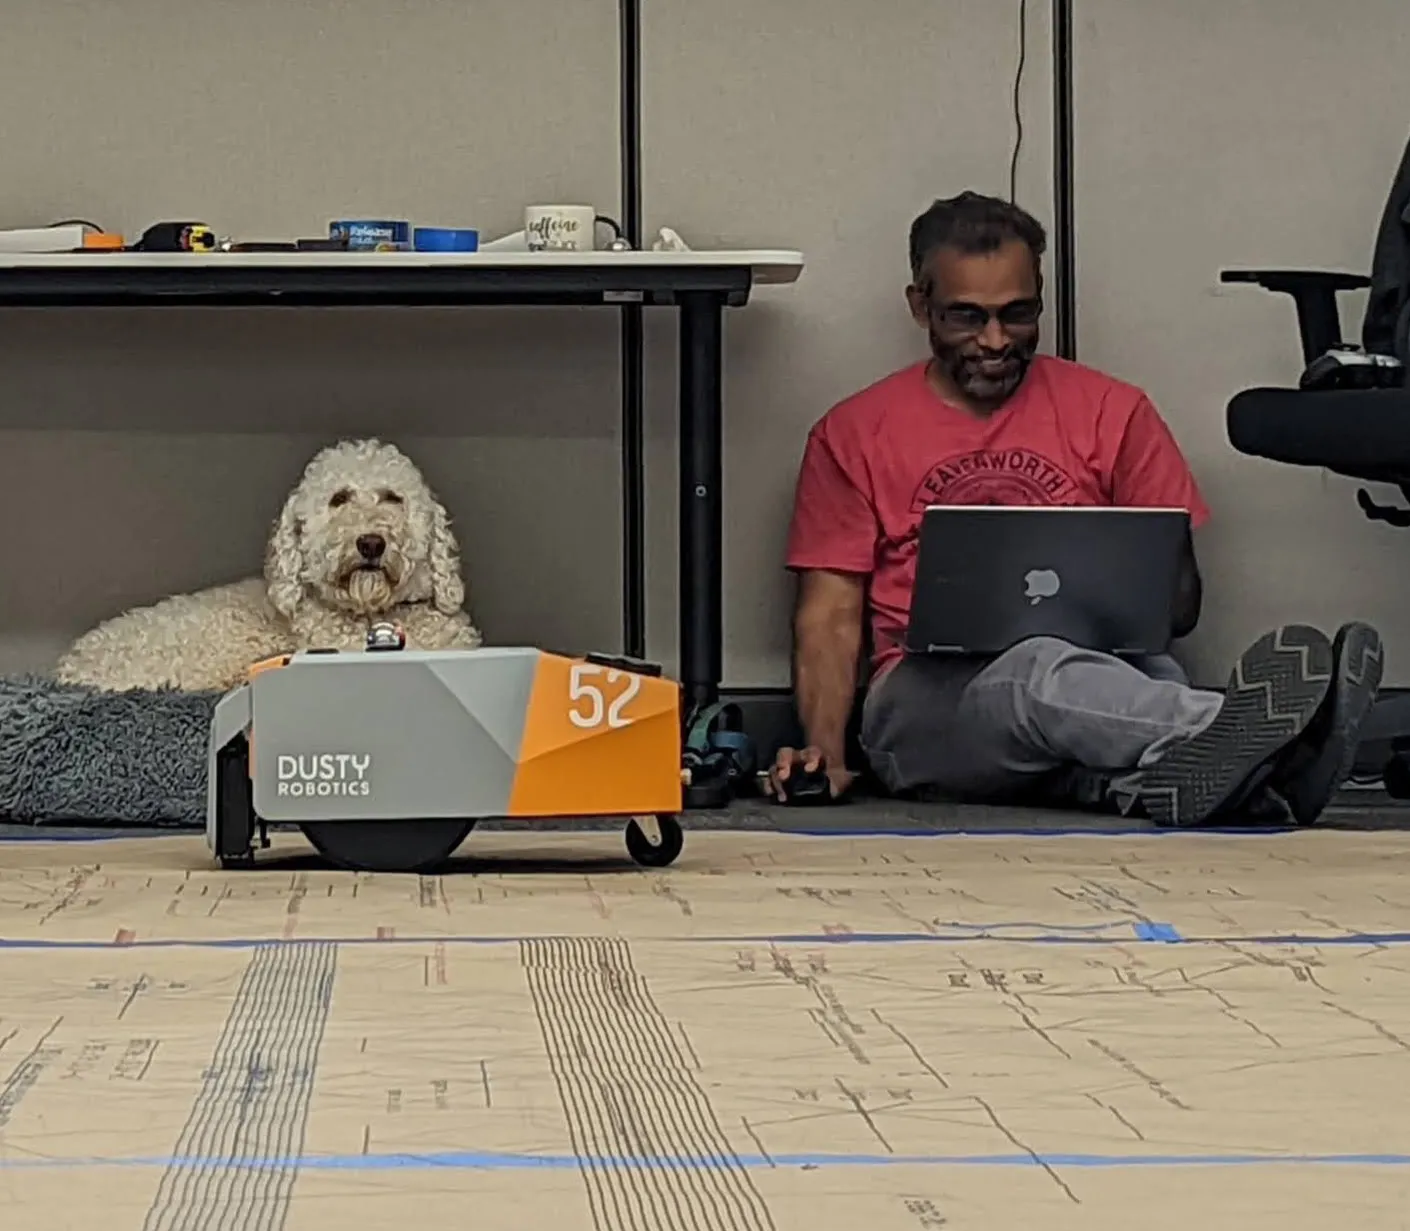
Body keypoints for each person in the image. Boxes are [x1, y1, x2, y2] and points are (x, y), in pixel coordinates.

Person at [770, 190, 1383, 827]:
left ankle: (1258, 782)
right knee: (1038, 674)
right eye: (966, 317)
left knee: (1119, 698)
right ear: (920, 306)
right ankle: (1279, 736)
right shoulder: (854, 433)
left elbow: (1178, 612)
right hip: (926, 701)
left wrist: (1138, 579)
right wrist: (827, 752)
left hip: (1108, 674)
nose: (995, 340)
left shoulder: (1115, 412)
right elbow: (830, 618)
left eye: (1018, 314)